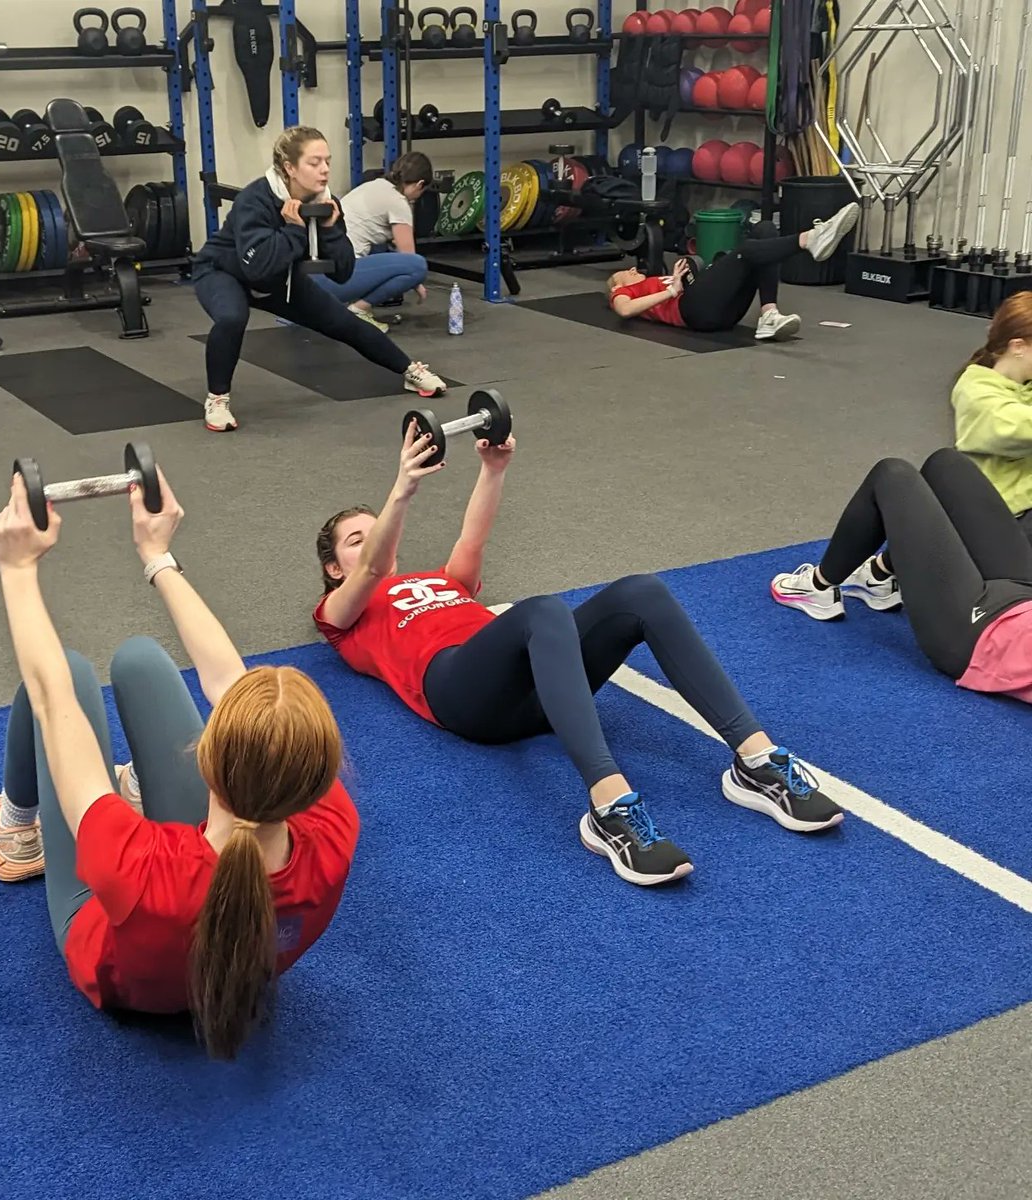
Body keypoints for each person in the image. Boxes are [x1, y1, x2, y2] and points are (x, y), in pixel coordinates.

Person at [311, 422, 843, 889]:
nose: (373, 540)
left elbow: (472, 539)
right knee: (543, 610)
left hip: (536, 687)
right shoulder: (341, 613)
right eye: (357, 539)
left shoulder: (437, 579)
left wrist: (494, 468)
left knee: (641, 592)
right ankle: (611, 808)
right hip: (460, 695)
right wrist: (402, 490)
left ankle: (757, 761)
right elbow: (374, 570)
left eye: (374, 530)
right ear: (335, 568)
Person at [0, 468, 359, 1059]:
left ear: (206, 763)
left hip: (123, 978)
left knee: (69, 673)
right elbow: (229, 681)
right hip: (223, 947)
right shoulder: (334, 828)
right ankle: (92, 800)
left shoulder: (142, 865)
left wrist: (16, 568)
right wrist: (157, 555)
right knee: (142, 660)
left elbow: (52, 699)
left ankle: (16, 829)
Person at [191, 126, 446, 433]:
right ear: (289, 168)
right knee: (232, 317)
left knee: (342, 321)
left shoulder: (326, 202)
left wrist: (327, 229)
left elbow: (343, 271)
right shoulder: (255, 199)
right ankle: (217, 399)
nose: (325, 169)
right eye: (314, 163)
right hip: (222, 271)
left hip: (278, 279)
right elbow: (258, 267)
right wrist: (295, 229)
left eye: (327, 161)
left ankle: (408, 370)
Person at [770, 448, 1032, 705]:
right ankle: (877, 577)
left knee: (893, 475)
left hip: (979, 640)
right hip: (1024, 596)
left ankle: (817, 587)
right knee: (947, 466)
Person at [606, 204, 860, 341]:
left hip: (716, 306)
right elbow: (625, 310)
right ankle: (810, 239)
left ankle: (769, 315)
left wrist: (680, 277)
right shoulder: (624, 292)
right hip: (694, 312)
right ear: (617, 287)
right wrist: (672, 290)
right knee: (749, 249)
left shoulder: (651, 281)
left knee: (765, 230)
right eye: (623, 274)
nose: (630, 270)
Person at [312, 151, 434, 330]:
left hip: (314, 273)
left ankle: (349, 307)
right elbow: (409, 257)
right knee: (418, 266)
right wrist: (418, 285)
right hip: (333, 278)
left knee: (377, 247)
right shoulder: (399, 203)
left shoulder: (375, 185)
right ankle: (358, 311)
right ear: (420, 184)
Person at [950, 291, 1032, 542]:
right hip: (1004, 510)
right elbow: (1013, 427)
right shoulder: (976, 391)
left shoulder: (1025, 384)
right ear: (1018, 347)